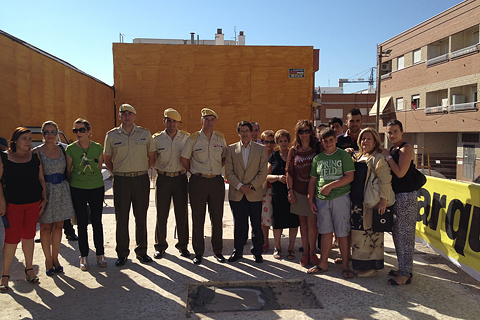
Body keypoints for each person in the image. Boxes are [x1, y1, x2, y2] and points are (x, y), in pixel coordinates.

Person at [104, 104, 156, 267]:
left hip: (140, 179)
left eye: (130, 114)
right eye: (123, 114)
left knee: (140, 216)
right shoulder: (111, 135)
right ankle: (122, 253)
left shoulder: (145, 134)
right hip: (121, 180)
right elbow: (107, 158)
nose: (127, 116)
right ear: (119, 116)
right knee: (122, 218)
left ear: (134, 116)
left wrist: (141, 170)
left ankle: (142, 251)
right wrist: (118, 172)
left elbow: (151, 156)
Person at [0, 127, 47, 293]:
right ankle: (5, 276)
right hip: (13, 205)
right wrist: (2, 202)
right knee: (11, 240)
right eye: (25, 139)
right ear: (15, 141)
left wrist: (44, 197)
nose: (28, 142)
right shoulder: (4, 157)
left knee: (29, 237)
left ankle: (29, 269)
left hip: (33, 203)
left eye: (29, 138)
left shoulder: (34, 156)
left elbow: (41, 178)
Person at [180, 108, 227, 265]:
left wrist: (214, 170)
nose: (209, 122)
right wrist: (194, 172)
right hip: (198, 182)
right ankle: (198, 252)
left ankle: (218, 251)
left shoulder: (220, 138)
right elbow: (184, 159)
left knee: (217, 218)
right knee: (198, 218)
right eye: (206, 119)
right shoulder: (193, 139)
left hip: (215, 181)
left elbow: (224, 158)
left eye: (212, 119)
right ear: (201, 121)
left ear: (215, 121)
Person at [307, 127, 355, 279]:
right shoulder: (318, 158)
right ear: (321, 142)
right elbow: (313, 180)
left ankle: (346, 265)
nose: (328, 144)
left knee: (342, 232)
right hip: (322, 200)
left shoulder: (343, 155)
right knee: (325, 231)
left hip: (340, 197)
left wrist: (331, 186)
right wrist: (310, 199)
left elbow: (349, 177)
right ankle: (323, 263)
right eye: (325, 141)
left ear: (335, 140)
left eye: (331, 140)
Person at [350, 128, 393, 277]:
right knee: (358, 235)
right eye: (363, 138)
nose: (365, 141)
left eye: (369, 139)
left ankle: (371, 267)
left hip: (371, 202)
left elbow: (385, 180)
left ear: (375, 141)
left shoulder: (378, 158)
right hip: (356, 203)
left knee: (370, 235)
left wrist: (384, 200)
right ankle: (359, 264)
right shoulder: (357, 156)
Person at [34, 121, 75, 276]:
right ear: (42, 134)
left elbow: (70, 170)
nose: (50, 135)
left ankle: (56, 258)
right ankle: (47, 259)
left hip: (62, 190)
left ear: (57, 132)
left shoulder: (65, 149)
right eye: (46, 132)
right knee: (45, 228)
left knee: (58, 226)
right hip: (46, 192)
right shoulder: (36, 151)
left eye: (53, 132)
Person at [66, 118, 106, 271]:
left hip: (96, 187)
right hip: (78, 188)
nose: (78, 133)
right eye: (75, 130)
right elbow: (69, 171)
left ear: (89, 131)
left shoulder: (97, 147)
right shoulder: (70, 149)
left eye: (81, 130)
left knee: (97, 221)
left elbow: (100, 166)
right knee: (81, 222)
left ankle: (100, 254)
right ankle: (83, 256)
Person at [225, 121, 268, 263]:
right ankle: (237, 251)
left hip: (254, 193)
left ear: (251, 132)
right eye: (241, 131)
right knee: (239, 224)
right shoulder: (231, 149)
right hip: (237, 194)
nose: (244, 134)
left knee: (256, 224)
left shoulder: (261, 149)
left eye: (247, 131)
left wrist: (250, 186)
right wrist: (240, 186)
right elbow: (228, 172)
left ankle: (257, 252)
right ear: (238, 133)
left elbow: (263, 172)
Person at [381, 119, 416, 285]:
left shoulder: (406, 148)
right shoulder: (394, 149)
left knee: (405, 235)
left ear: (402, 132)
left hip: (406, 196)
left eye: (395, 131)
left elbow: (400, 173)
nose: (392, 135)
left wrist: (387, 157)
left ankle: (405, 273)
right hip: (396, 196)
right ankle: (402, 267)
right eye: (389, 132)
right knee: (397, 233)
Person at [152, 108, 190, 259]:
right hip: (163, 179)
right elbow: (152, 159)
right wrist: (162, 170)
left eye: (174, 121)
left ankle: (183, 246)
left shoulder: (186, 138)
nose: (172, 124)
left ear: (178, 123)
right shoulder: (157, 139)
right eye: (169, 120)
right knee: (162, 214)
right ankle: (160, 246)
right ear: (164, 121)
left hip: (181, 178)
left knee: (182, 214)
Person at [286, 120, 318, 267]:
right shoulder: (293, 150)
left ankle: (313, 253)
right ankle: (305, 253)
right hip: (298, 191)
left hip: (314, 192)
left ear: (311, 132)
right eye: (301, 131)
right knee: (303, 223)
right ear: (297, 133)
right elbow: (289, 172)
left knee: (313, 223)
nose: (304, 134)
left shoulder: (318, 147)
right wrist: (290, 191)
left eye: (306, 131)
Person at [267, 129, 299, 260]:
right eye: (280, 141)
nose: (283, 143)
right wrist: (278, 177)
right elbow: (267, 176)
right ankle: (277, 247)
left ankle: (291, 248)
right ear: (277, 142)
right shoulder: (273, 156)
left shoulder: (294, 154)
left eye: (285, 140)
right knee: (278, 222)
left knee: (293, 221)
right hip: (278, 193)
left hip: (292, 192)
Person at [260, 130, 275, 253]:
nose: (269, 144)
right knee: (264, 218)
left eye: (271, 141)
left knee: (275, 216)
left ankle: (277, 243)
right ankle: (265, 241)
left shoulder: (278, 155)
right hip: (263, 189)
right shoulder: (259, 155)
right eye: (266, 142)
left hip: (275, 189)